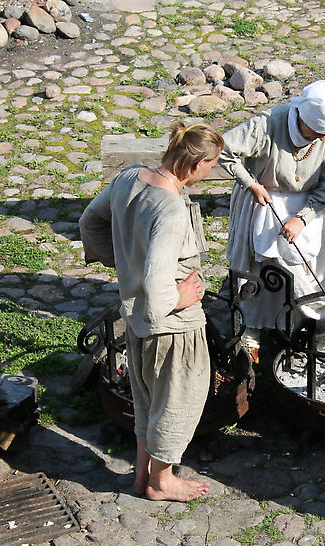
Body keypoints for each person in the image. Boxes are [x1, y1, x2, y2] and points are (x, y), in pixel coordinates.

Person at [79, 122, 224, 502]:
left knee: (146, 397)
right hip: (172, 328)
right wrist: (180, 296)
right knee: (178, 399)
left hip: (135, 320)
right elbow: (160, 289)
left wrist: (125, 266)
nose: (211, 173)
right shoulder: (171, 211)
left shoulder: (129, 178)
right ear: (195, 165)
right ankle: (163, 480)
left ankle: (142, 474)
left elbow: (89, 222)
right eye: (212, 166)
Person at [219, 80, 325, 358]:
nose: (321, 139)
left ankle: (318, 328)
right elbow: (222, 149)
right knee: (263, 271)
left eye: (324, 133)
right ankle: (253, 328)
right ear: (303, 118)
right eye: (315, 132)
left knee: (318, 274)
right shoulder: (267, 124)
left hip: (311, 205)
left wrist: (303, 218)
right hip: (265, 200)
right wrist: (251, 184)